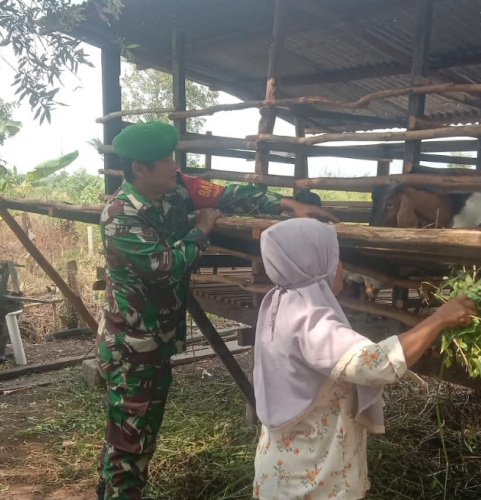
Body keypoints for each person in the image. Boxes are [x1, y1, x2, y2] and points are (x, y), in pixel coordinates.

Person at [96, 121, 338, 500]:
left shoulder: (176, 190)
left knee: (133, 435)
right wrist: (202, 229)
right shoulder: (119, 215)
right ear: (139, 168)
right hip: (132, 346)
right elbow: (165, 266)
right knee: (129, 441)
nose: (174, 167)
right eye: (164, 161)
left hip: (155, 341)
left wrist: (286, 204)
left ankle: (111, 490)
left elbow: (227, 194)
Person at [252, 218, 476, 500]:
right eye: (335, 257)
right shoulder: (310, 320)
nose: (341, 266)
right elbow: (375, 364)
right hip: (311, 481)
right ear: (313, 262)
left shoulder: (280, 300)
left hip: (281, 466)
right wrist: (438, 319)